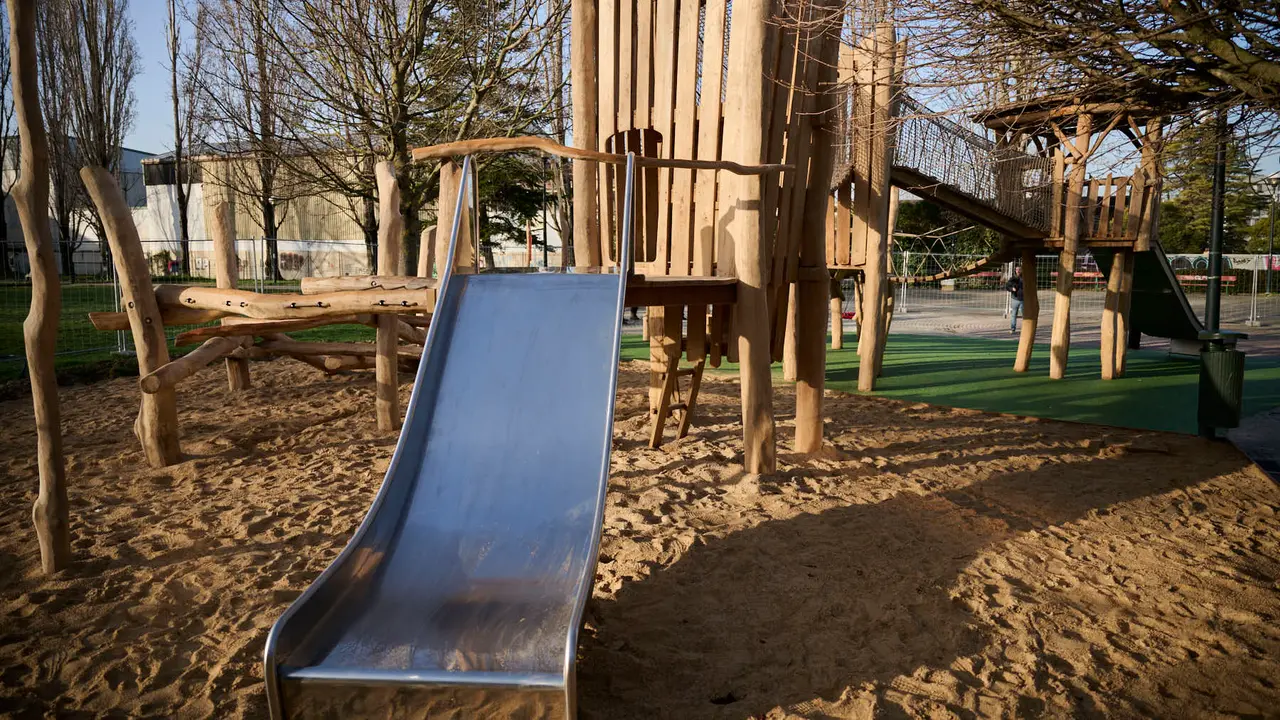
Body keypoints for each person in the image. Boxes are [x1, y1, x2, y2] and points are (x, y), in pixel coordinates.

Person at [1004, 266, 1024, 334]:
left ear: (1022, 270)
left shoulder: (1025, 278)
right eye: (1017, 269)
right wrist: (1011, 289)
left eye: (1019, 269)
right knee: (1013, 315)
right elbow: (1007, 286)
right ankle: (1013, 328)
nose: (1018, 271)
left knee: (1025, 315)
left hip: (1023, 300)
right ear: (1015, 270)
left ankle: (1025, 329)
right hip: (1014, 299)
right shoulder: (1013, 278)